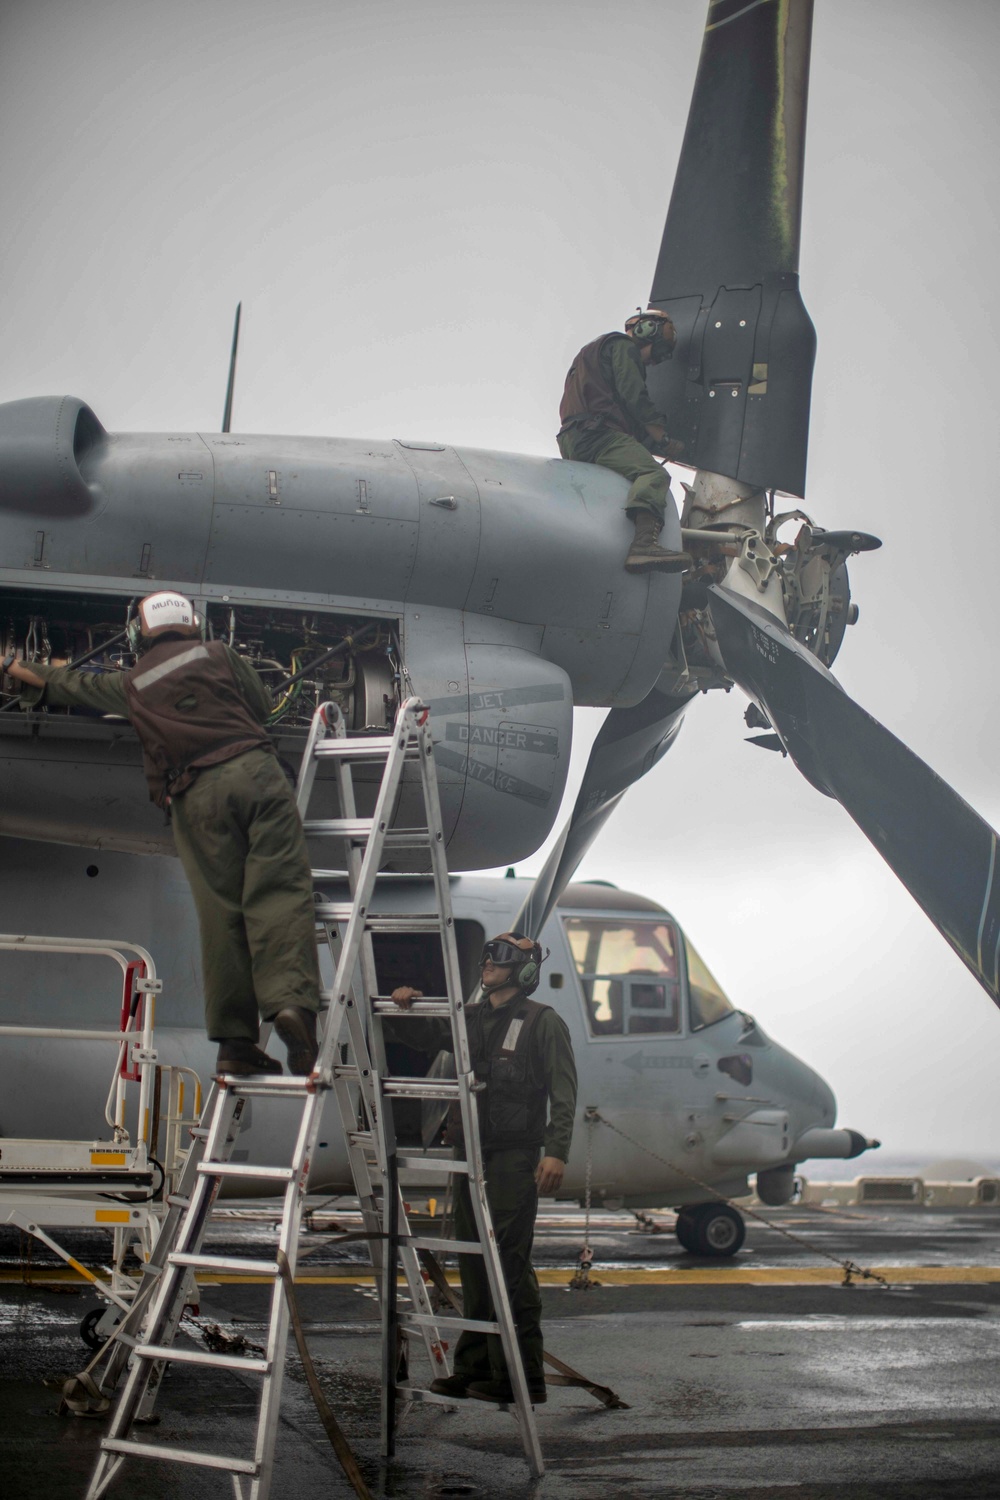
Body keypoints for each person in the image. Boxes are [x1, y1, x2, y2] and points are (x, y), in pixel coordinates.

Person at [2, 592, 320, 1078]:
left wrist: (12, 666)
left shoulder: (133, 683)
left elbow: (68, 685)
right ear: (192, 625)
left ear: (137, 633)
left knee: (220, 914)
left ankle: (236, 1043)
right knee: (278, 890)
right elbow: (262, 705)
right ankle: (291, 1006)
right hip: (255, 775)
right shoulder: (220, 655)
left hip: (193, 795)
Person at [391, 931, 577, 1405]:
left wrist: (555, 1151)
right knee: (473, 1261)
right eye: (488, 956)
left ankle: (522, 1374)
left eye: (502, 958)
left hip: (515, 1158)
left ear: (524, 970)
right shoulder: (471, 1018)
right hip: (470, 1154)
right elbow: (424, 1036)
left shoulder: (543, 1023)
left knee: (508, 1263)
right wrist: (404, 1005)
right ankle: (474, 1368)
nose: (488, 964)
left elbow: (564, 1092)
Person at [558, 308, 691, 574]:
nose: (652, 363)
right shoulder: (622, 346)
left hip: (574, 438)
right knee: (653, 474)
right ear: (647, 331)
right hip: (598, 435)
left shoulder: (592, 353)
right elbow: (634, 395)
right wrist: (662, 438)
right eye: (657, 352)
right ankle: (643, 545)